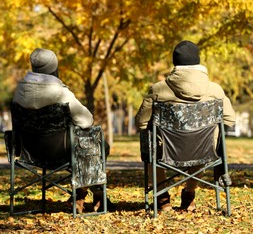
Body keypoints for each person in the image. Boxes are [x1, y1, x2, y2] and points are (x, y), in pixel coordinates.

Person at [135, 40, 236, 212]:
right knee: (202, 141)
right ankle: (189, 194)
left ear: (175, 63)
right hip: (204, 151)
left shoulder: (158, 89)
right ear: (198, 62)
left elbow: (141, 122)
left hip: (166, 152)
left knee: (152, 144)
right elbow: (230, 119)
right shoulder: (215, 90)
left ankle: (162, 198)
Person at [13, 48, 112, 213]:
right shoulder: (60, 92)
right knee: (100, 145)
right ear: (54, 67)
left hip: (29, 153)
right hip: (61, 152)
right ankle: (84, 196)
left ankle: (86, 197)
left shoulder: (19, 92)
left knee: (89, 147)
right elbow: (86, 120)